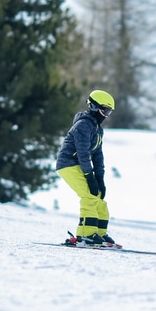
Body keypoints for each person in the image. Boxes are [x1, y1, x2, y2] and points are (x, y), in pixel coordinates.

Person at [56, 90, 116, 246]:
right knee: (89, 196)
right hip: (68, 164)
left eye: (108, 112)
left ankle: (100, 234)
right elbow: (83, 154)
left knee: (99, 199)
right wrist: (90, 176)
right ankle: (86, 234)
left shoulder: (97, 129)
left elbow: (98, 156)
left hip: (80, 165)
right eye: (104, 110)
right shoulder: (83, 125)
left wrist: (100, 178)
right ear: (94, 107)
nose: (105, 115)